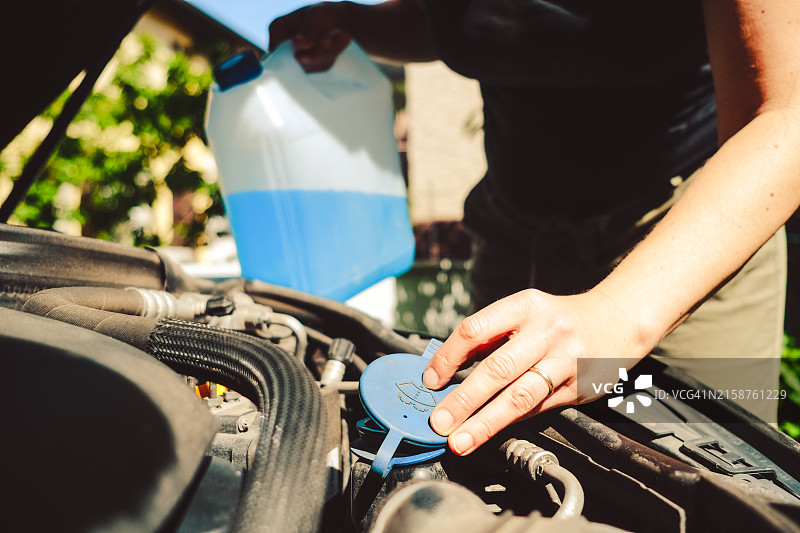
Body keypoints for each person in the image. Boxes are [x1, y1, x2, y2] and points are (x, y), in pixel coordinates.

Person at [269, 0, 800, 455]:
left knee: (703, 469)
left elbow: (783, 116)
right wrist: (357, 23)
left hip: (688, 240)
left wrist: (618, 314)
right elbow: (459, 20)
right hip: (513, 233)